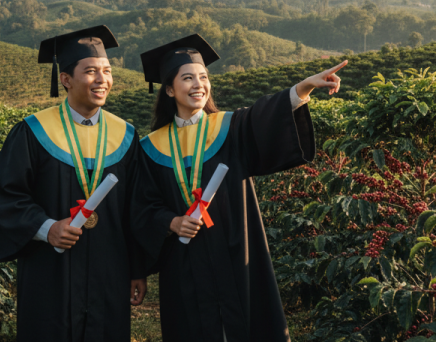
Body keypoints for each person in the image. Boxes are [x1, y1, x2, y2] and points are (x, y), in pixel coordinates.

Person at [130, 34, 347, 342]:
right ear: (169, 89)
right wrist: (172, 222)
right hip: (183, 261)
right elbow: (142, 206)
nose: (198, 85)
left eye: (204, 77)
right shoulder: (150, 148)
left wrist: (304, 88)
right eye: (188, 78)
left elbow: (267, 115)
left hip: (236, 251)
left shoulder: (230, 127)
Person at [0, 25, 147, 342]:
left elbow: (137, 209)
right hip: (50, 273)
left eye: (107, 71)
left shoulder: (126, 136)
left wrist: (136, 270)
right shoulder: (33, 132)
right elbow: (7, 195)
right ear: (66, 79)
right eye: (90, 71)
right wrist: (47, 228)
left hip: (109, 273)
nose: (102, 80)